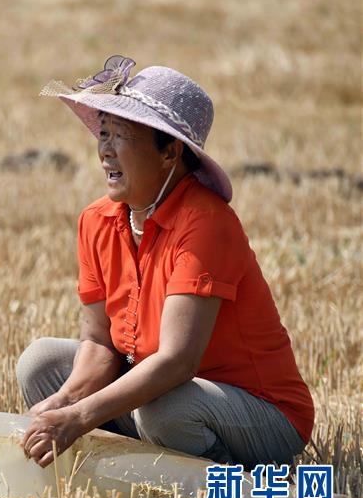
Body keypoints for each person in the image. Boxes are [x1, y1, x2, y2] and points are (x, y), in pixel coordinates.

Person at [18, 56, 313, 470]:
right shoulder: (96, 221)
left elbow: (178, 361)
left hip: (259, 412)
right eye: (103, 133)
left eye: (119, 135)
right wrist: (63, 404)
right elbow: (101, 344)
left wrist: (80, 417)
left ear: (169, 152)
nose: (104, 150)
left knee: (163, 410)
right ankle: (131, 465)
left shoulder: (207, 223)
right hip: (165, 393)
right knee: (41, 364)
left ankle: (236, 489)